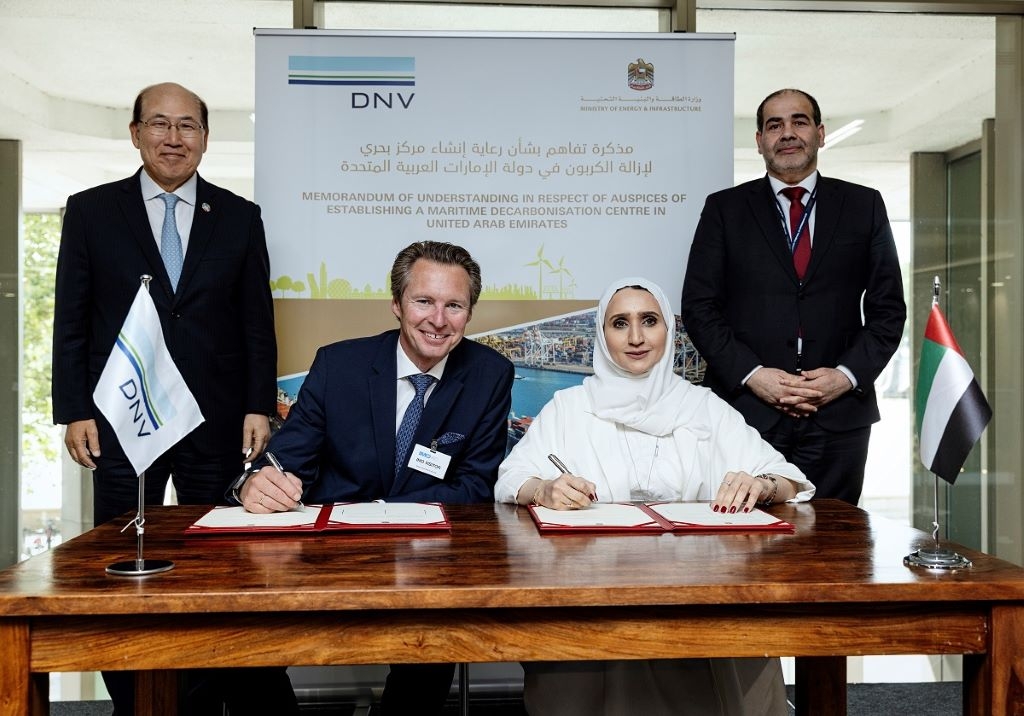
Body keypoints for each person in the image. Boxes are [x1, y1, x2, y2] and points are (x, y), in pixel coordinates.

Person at [51, 82, 293, 715]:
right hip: (121, 416)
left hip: (215, 418)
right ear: (136, 134)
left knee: (215, 556)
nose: (173, 137)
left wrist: (258, 405)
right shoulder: (91, 211)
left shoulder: (239, 216)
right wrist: (74, 408)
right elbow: (71, 318)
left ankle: (202, 692)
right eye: (159, 124)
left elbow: (256, 321)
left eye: (188, 126)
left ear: (205, 139)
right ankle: (133, 697)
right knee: (114, 555)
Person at [495, 277, 814, 716]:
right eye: (619, 323)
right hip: (596, 596)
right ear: (602, 334)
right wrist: (543, 488)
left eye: (649, 321)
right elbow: (512, 477)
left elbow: (790, 480)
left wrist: (762, 485)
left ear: (668, 329)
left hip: (696, 597)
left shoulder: (703, 405)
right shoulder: (569, 407)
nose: (636, 337)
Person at [236, 240, 515, 715]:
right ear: (396, 304)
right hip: (330, 558)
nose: (438, 320)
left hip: (429, 561)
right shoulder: (338, 365)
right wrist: (253, 483)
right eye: (423, 301)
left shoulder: (490, 374)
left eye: (454, 306)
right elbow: (284, 461)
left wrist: (386, 514)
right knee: (240, 650)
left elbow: (474, 486)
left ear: (470, 314)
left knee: (430, 653)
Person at [681, 88, 906, 505]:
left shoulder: (864, 206)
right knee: (743, 535)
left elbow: (888, 311)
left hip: (839, 417)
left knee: (834, 535)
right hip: (746, 413)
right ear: (759, 141)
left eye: (799, 121)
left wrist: (844, 376)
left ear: (820, 133)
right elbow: (699, 307)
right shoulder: (725, 210)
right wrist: (754, 375)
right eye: (774, 125)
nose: (787, 133)